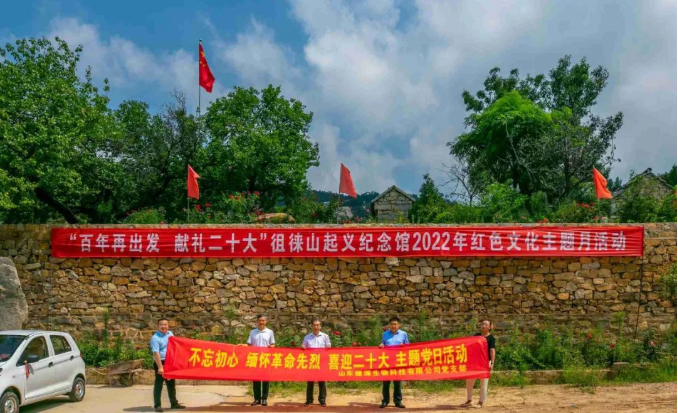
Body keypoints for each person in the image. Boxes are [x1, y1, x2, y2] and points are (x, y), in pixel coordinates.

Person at [150, 318, 185, 412]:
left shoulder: (170, 334)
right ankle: (157, 405)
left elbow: (174, 345)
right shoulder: (155, 338)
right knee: (159, 384)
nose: (163, 326)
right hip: (160, 362)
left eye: (165, 324)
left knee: (171, 384)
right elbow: (156, 353)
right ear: (158, 326)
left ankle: (174, 404)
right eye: (161, 324)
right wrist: (160, 367)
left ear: (168, 326)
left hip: (170, 362)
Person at [462, 319, 496, 409]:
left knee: (483, 383)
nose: (483, 326)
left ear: (489, 327)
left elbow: (492, 351)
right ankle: (469, 400)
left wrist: (492, 363)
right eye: (482, 324)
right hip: (475, 363)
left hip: (485, 363)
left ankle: (481, 402)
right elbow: (471, 347)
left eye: (486, 324)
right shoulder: (476, 336)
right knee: (469, 381)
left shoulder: (491, 338)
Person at [245, 314, 276, 406]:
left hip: (266, 358)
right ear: (257, 322)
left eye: (263, 320)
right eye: (260, 321)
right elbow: (249, 344)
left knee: (266, 379)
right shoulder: (253, 332)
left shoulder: (270, 332)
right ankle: (257, 399)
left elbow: (273, 344)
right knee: (256, 380)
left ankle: (264, 399)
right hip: (255, 358)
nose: (261, 322)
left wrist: (271, 346)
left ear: (266, 322)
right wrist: (241, 346)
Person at [379, 316, 409, 409]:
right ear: (389, 325)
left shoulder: (403, 334)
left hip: (398, 361)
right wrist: (381, 345)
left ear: (399, 325)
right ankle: (385, 401)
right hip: (387, 361)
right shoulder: (385, 334)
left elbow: (408, 346)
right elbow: (382, 344)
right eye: (391, 324)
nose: (393, 326)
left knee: (397, 382)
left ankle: (398, 401)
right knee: (386, 382)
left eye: (395, 324)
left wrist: (403, 346)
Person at [301, 318, 332, 406]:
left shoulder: (325, 336)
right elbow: (303, 345)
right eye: (314, 325)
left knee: (321, 381)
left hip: (321, 361)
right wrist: (303, 346)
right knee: (310, 381)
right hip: (311, 361)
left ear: (320, 326)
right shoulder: (307, 337)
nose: (316, 327)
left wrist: (328, 347)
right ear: (312, 326)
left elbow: (328, 346)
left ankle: (322, 400)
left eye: (318, 325)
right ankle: (309, 399)